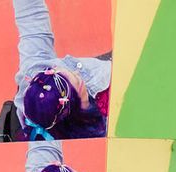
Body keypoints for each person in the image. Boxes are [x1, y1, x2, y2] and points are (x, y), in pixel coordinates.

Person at [13, 0, 110, 140]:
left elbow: (32, 22)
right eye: (78, 82)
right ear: (77, 111)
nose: (76, 72)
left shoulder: (35, 69)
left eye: (62, 71)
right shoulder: (95, 139)